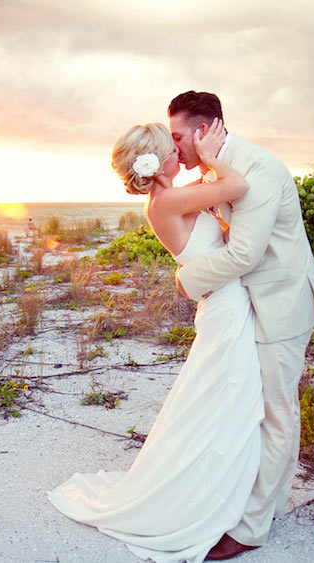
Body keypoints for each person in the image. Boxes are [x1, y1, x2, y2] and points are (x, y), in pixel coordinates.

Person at [48, 119, 265, 563]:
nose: (180, 151)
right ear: (158, 159)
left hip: (225, 304)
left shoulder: (168, 197)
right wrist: (210, 158)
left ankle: (231, 491)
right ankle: (215, 499)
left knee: (220, 404)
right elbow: (238, 184)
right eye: (174, 147)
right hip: (225, 309)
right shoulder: (167, 200)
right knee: (228, 402)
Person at [169, 91, 314, 560]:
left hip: (281, 303)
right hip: (254, 303)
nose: (173, 146)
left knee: (277, 412)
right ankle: (271, 503)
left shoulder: (256, 168)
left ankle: (252, 528)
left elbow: (245, 253)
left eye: (178, 136)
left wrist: (187, 280)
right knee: (268, 408)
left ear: (203, 132)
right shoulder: (219, 167)